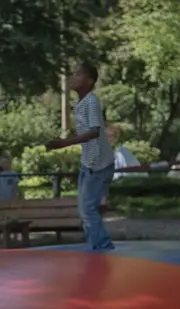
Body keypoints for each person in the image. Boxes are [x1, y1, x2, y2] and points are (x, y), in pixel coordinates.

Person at [45, 62, 115, 251]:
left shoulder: (91, 101)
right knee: (86, 209)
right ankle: (95, 245)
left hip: (98, 164)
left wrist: (64, 143)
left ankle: (103, 247)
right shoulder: (81, 104)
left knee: (87, 209)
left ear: (89, 81)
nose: (73, 78)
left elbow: (94, 131)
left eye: (78, 75)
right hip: (89, 163)